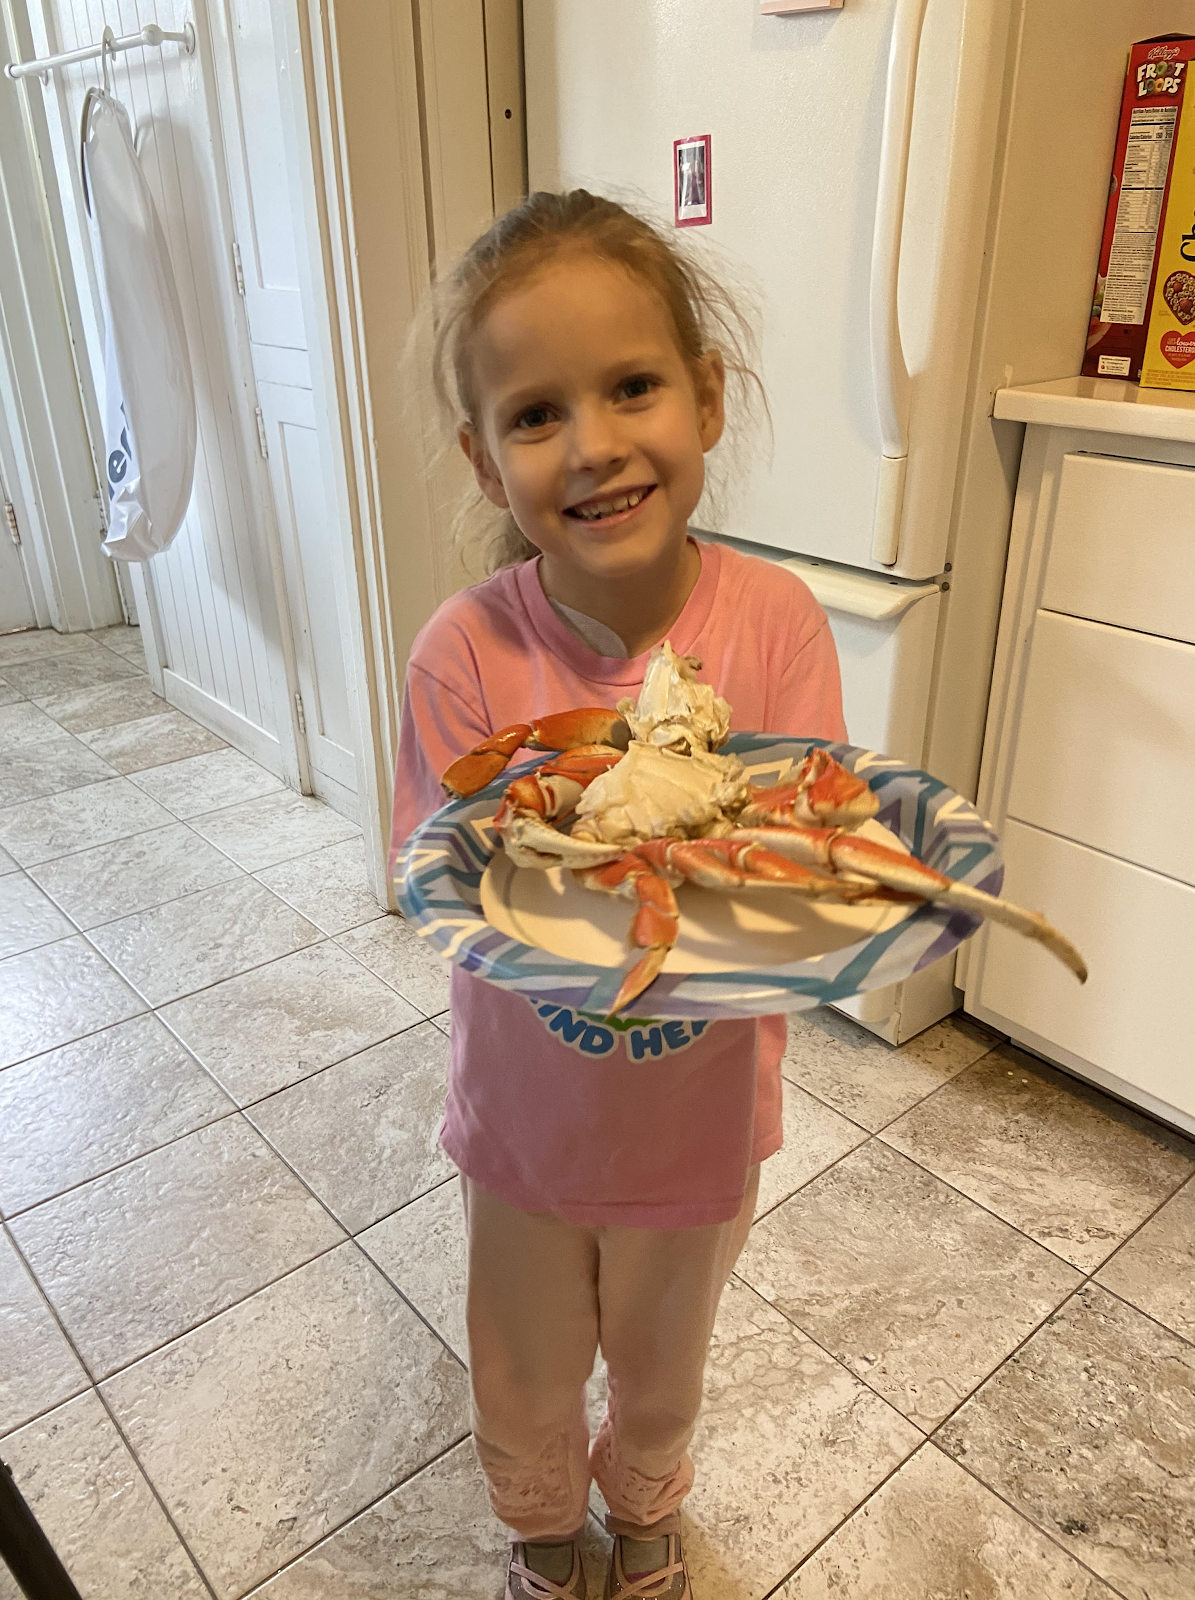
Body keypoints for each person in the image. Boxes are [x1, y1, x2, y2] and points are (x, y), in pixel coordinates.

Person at [390, 190, 846, 1600]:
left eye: (632, 387)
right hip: (530, 1124)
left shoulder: (775, 625)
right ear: (484, 459)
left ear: (707, 397)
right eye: (537, 414)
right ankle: (542, 1529)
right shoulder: (466, 653)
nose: (592, 444)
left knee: (665, 1358)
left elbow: (809, 860)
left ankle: (646, 1509)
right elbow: (439, 876)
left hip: (698, 1125)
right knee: (524, 1360)